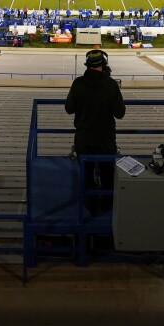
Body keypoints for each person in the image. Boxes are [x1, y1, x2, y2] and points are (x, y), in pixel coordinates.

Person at [65, 49, 126, 216]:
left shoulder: (78, 83)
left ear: (87, 65)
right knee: (107, 174)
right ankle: (107, 206)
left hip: (84, 139)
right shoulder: (112, 85)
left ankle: (90, 206)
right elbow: (120, 113)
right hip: (106, 140)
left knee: (87, 173)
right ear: (104, 64)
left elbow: (69, 109)